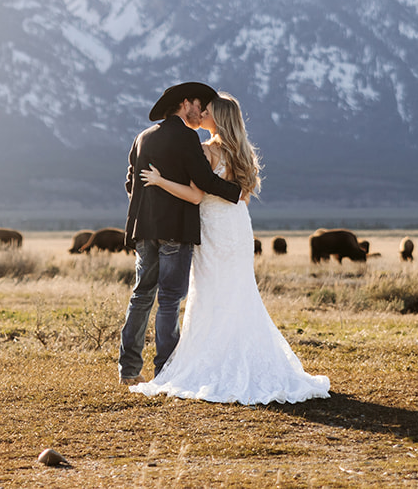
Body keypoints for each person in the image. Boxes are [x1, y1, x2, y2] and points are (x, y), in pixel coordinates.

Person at [130, 91, 330, 405]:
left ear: (216, 117)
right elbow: (243, 196)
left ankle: (210, 361)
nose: (201, 111)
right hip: (237, 226)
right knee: (239, 292)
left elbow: (196, 196)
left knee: (210, 293)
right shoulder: (243, 151)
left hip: (213, 227)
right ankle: (243, 356)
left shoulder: (206, 150)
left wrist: (159, 181)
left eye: (206, 109)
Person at [119, 81, 244, 385]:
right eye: (200, 105)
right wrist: (238, 191)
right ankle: (165, 371)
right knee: (171, 299)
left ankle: (129, 370)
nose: (201, 112)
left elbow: (130, 184)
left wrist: (150, 208)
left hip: (144, 228)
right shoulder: (186, 138)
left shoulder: (142, 138)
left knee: (141, 295)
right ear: (185, 103)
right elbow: (204, 181)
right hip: (176, 229)